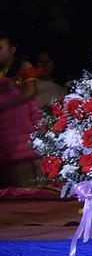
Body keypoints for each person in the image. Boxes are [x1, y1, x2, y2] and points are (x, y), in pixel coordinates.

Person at [0, 36, 40, 188]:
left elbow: (31, 92)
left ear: (12, 50)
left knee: (27, 157)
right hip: (5, 121)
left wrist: (4, 104)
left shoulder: (23, 66)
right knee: (11, 162)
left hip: (22, 117)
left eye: (0, 48)